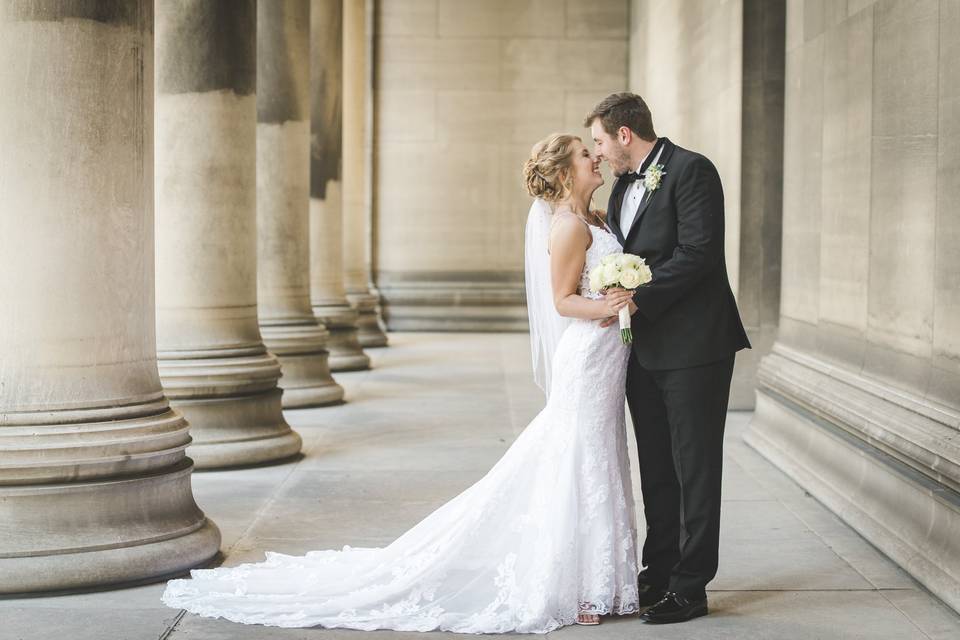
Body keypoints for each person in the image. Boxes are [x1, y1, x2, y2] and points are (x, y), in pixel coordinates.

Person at [162, 132, 640, 633]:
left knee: (602, 453)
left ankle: (602, 579)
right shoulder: (567, 228)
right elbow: (564, 300)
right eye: (587, 155)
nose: (597, 159)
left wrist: (620, 294)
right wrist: (609, 304)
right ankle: (577, 583)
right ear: (565, 172)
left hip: (607, 358)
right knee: (579, 458)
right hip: (585, 359)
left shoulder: (598, 218)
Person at [585, 92, 751, 624]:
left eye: (599, 142)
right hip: (643, 349)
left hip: (696, 346)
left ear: (624, 135)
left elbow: (699, 255)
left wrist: (640, 295)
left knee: (695, 466)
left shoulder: (692, 170)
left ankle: (691, 586)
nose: (599, 153)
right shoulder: (620, 190)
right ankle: (657, 572)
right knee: (657, 468)